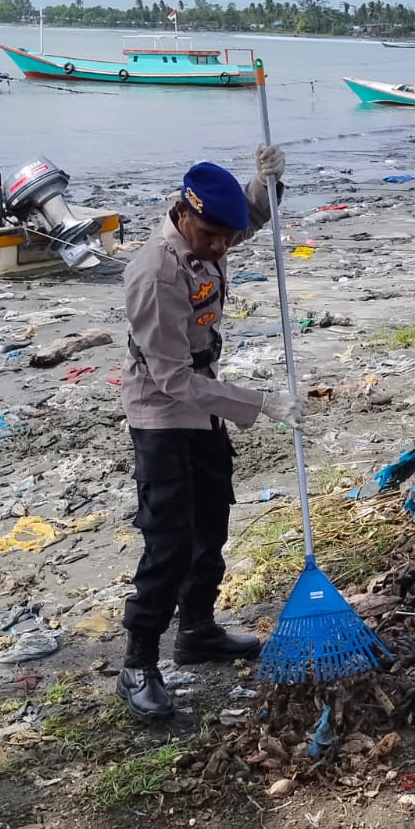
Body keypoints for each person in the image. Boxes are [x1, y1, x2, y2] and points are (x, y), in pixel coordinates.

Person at [118, 145, 303, 722]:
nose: (222, 248)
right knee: (168, 543)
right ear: (182, 213)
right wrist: (262, 403)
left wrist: (266, 182)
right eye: (211, 237)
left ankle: (196, 630)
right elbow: (171, 378)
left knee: (212, 525)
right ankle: (137, 664)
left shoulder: (211, 236)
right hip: (162, 414)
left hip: (206, 406)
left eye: (227, 237)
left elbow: (247, 216)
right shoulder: (156, 272)